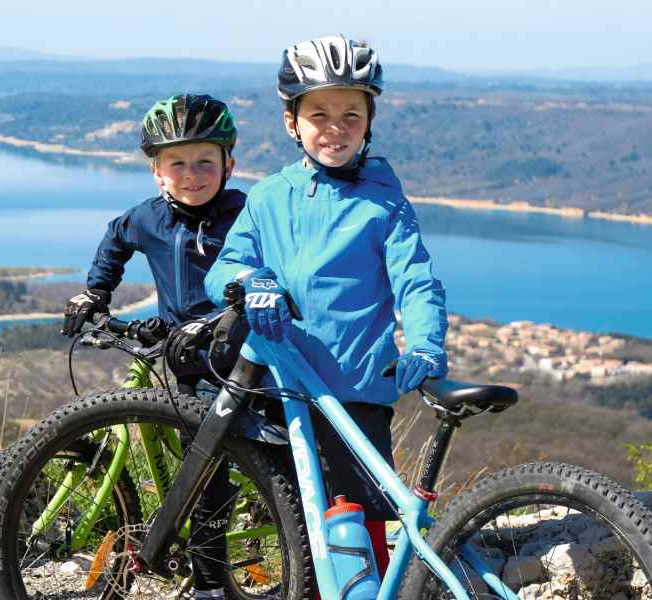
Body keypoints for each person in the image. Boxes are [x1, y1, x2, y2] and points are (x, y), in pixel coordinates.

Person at [203, 35, 449, 579]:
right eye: (319, 114)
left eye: (350, 115)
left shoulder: (384, 201)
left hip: (356, 390)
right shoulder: (268, 196)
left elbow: (417, 280)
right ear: (292, 122)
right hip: (281, 390)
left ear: (369, 120)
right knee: (301, 534)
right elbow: (224, 268)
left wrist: (427, 342)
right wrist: (252, 280)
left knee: (359, 535)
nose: (335, 128)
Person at [60, 94, 243, 599]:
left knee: (209, 477)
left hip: (238, 361)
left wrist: (219, 321)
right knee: (194, 462)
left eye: (205, 161)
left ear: (229, 164)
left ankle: (210, 587)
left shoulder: (245, 217)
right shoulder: (150, 217)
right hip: (182, 357)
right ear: (157, 173)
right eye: (176, 163)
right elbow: (116, 238)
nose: (192, 174)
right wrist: (96, 290)